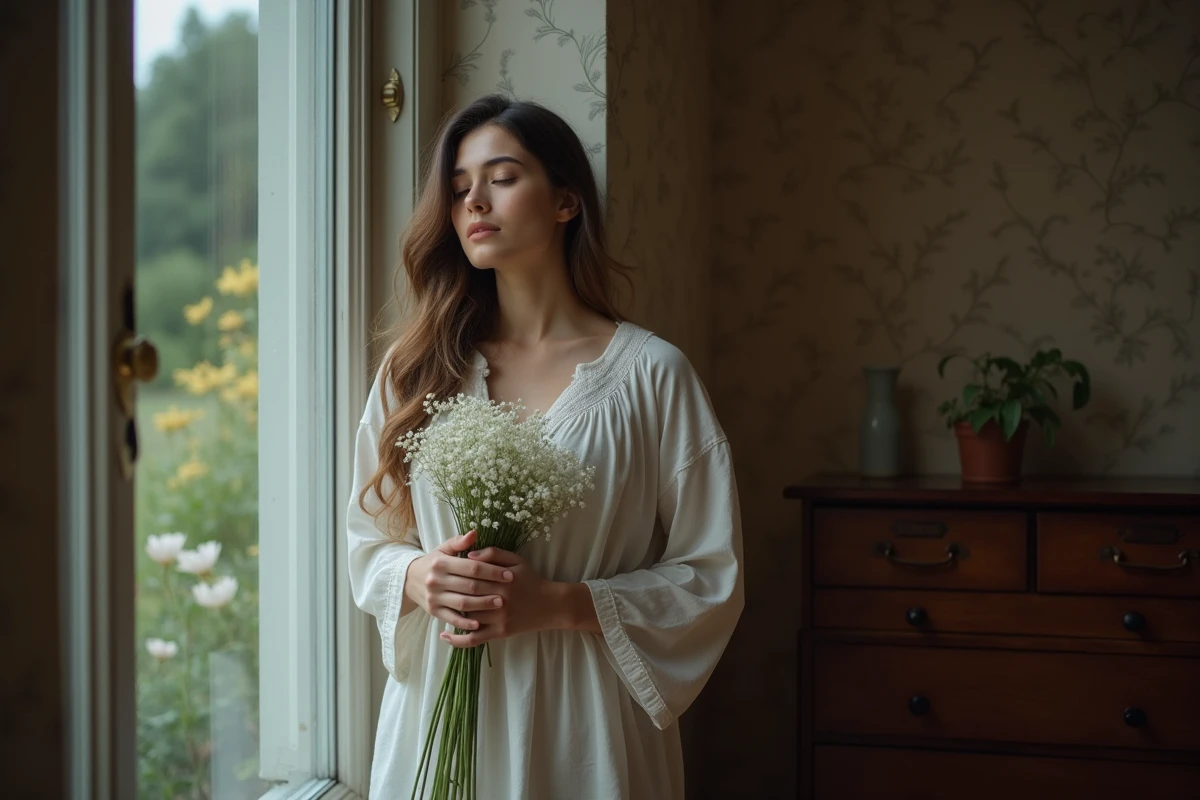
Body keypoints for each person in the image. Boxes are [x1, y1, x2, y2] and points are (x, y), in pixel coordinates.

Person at [346, 94, 744, 799]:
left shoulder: (652, 376)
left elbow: (712, 576)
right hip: (438, 721)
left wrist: (561, 604)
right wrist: (417, 577)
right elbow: (366, 541)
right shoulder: (416, 372)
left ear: (565, 201)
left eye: (501, 178)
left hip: (589, 728)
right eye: (460, 188)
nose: (474, 202)